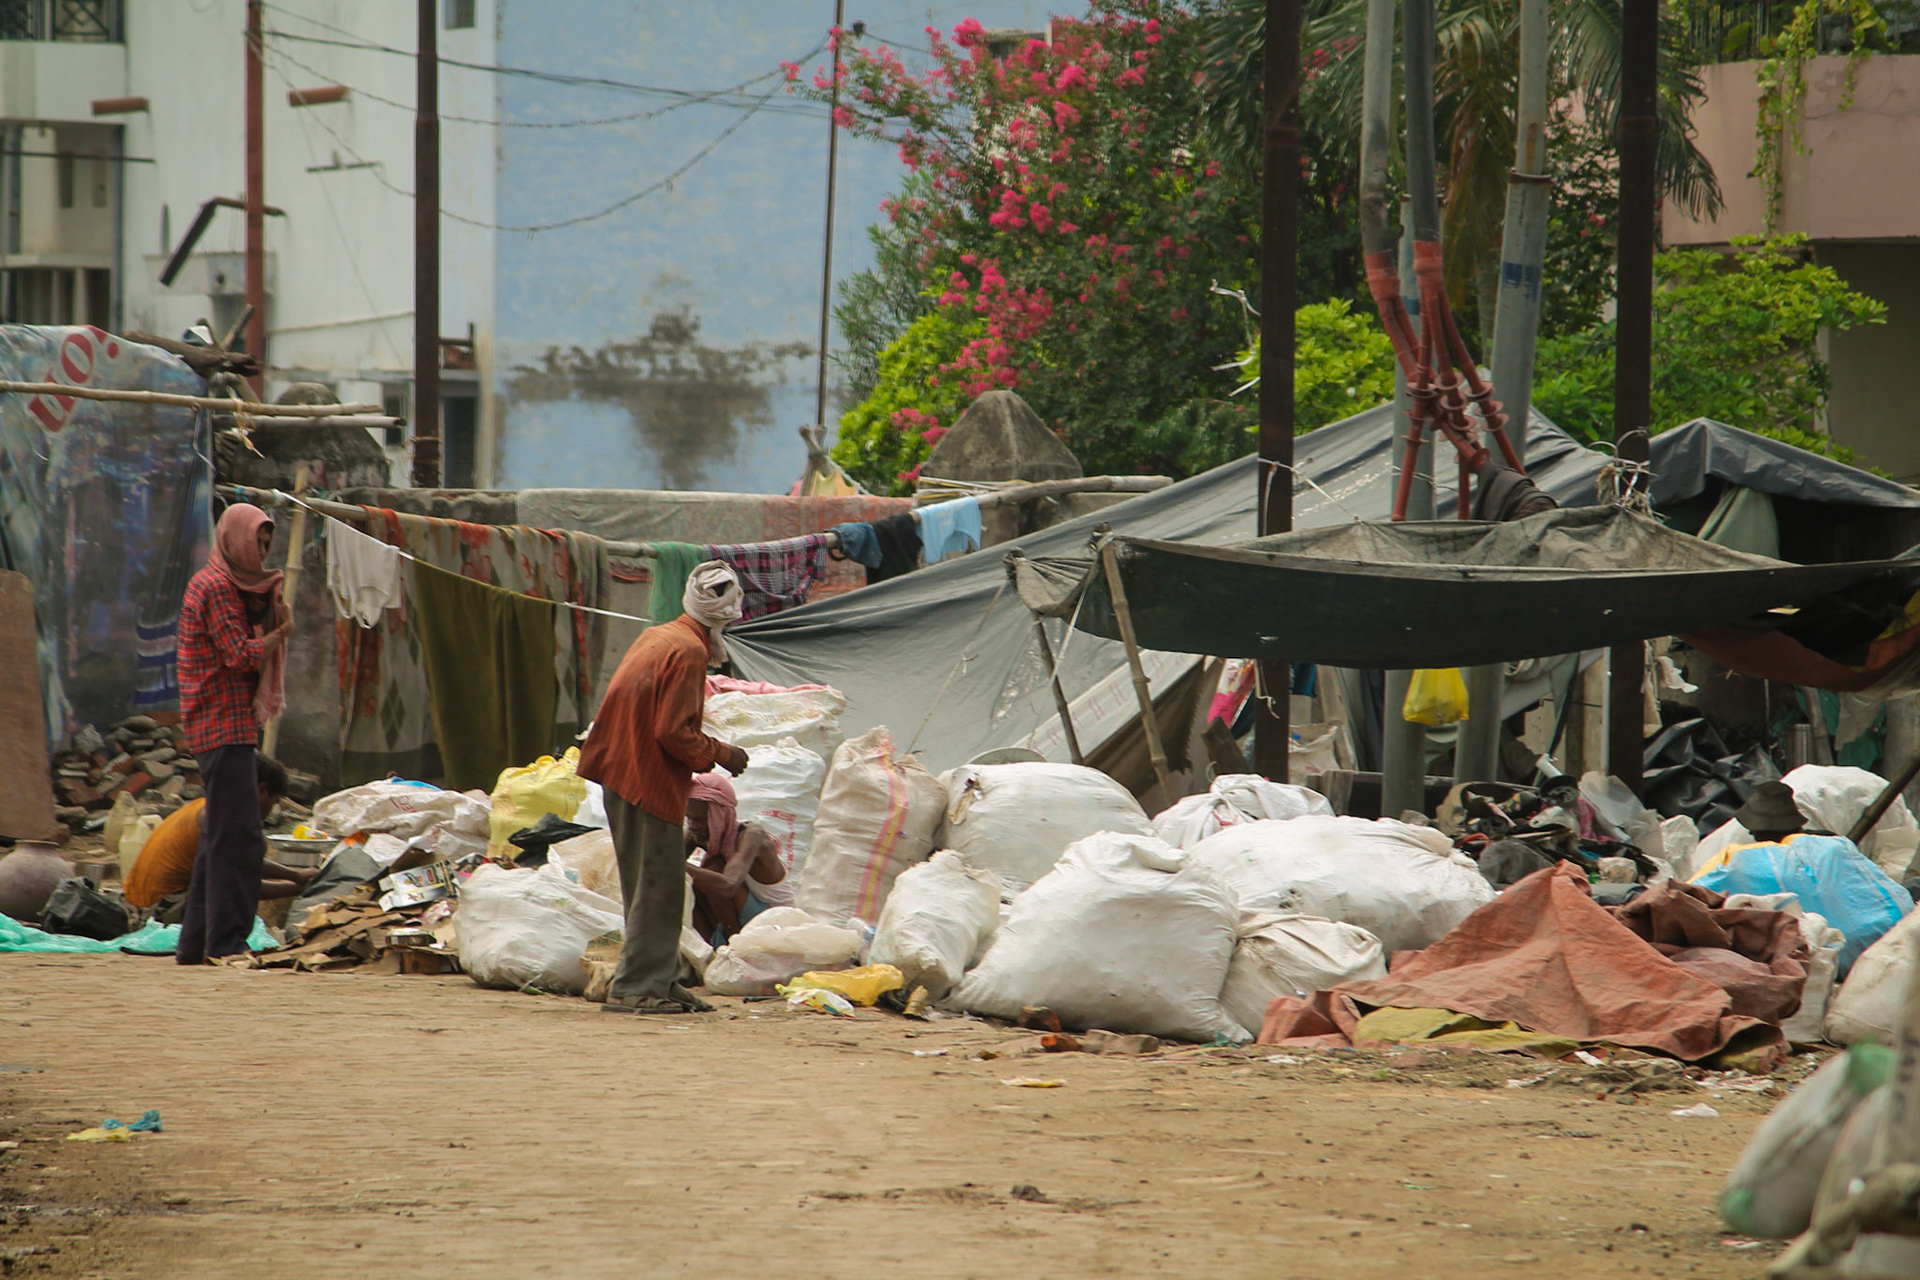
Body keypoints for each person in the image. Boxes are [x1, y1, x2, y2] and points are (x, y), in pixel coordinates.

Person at [578, 561, 750, 1015]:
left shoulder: (661, 635)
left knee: (654, 886)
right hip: (643, 776)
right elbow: (674, 733)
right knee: (658, 888)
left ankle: (661, 981)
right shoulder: (689, 651)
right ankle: (636, 990)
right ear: (723, 619)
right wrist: (724, 755)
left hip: (620, 768)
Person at [174, 503, 292, 965]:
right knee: (241, 837)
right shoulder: (219, 587)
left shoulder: (217, 583)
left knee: (219, 838)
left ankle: (194, 944)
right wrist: (278, 635)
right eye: (257, 541)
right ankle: (227, 943)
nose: (261, 552)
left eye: (267, 544)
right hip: (221, 725)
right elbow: (239, 657)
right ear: (235, 538)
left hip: (222, 725)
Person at [124, 756, 316, 922]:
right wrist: (297, 888)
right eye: (273, 802)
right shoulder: (222, 820)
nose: (270, 811)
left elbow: (244, 862)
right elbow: (238, 884)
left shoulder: (209, 806)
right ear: (262, 789)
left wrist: (295, 876)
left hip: (147, 902)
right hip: (156, 911)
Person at [683, 770, 791, 942]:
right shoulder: (698, 832)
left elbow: (729, 885)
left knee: (713, 869)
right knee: (684, 886)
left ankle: (733, 946)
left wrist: (674, 864)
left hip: (774, 921)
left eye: (699, 819)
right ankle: (714, 948)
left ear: (719, 815)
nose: (693, 826)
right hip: (738, 917)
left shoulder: (752, 835)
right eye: (689, 819)